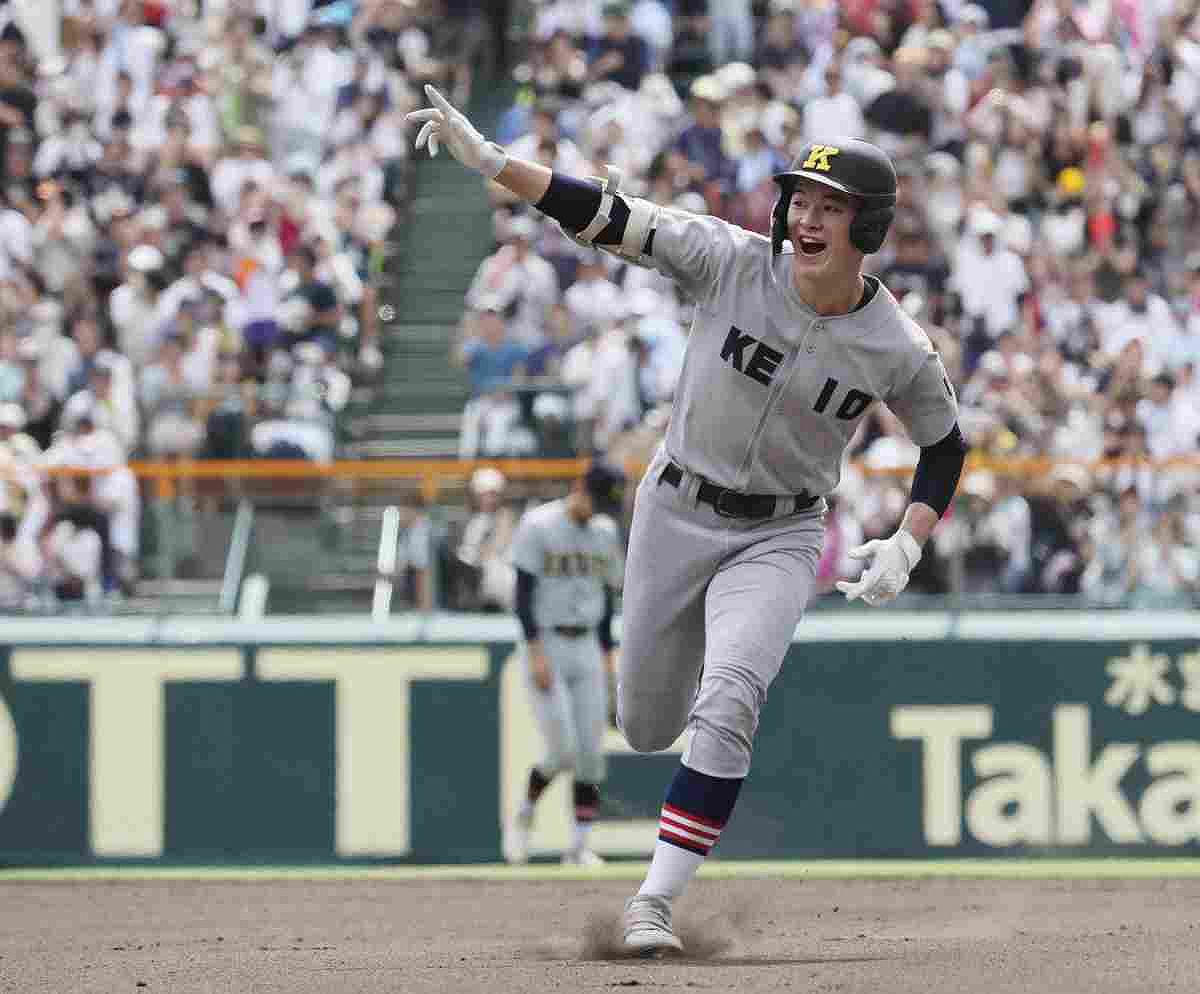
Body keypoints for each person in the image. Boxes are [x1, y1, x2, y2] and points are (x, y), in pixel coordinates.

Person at [407, 86, 966, 954]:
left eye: (833, 207)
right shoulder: (735, 260)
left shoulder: (896, 344)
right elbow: (613, 217)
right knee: (646, 724)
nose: (810, 218)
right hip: (674, 508)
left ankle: (652, 904)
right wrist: (495, 165)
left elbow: (945, 447)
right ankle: (692, 684)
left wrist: (910, 537)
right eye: (802, 201)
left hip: (781, 529)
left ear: (871, 226)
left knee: (734, 694)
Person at [502, 458, 626, 868]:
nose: (597, 510)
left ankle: (578, 845)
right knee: (561, 749)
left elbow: (606, 600)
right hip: (548, 641)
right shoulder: (538, 524)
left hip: (587, 643)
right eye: (595, 499)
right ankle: (523, 812)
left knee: (591, 753)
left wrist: (609, 657)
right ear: (579, 486)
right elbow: (522, 595)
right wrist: (535, 651)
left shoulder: (605, 532)